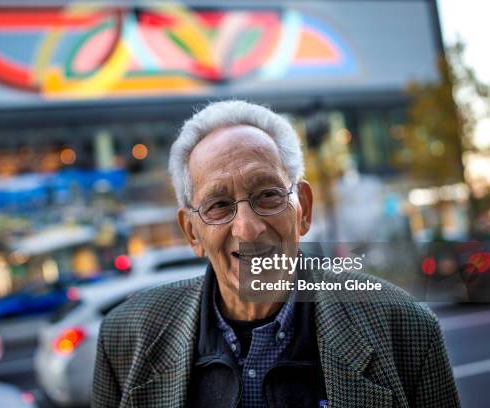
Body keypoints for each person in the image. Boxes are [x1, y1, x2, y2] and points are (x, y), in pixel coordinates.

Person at [92, 100, 459, 407]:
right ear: (192, 232)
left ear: (304, 209)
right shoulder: (124, 338)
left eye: (267, 194)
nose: (248, 229)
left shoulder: (407, 329)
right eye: (219, 205)